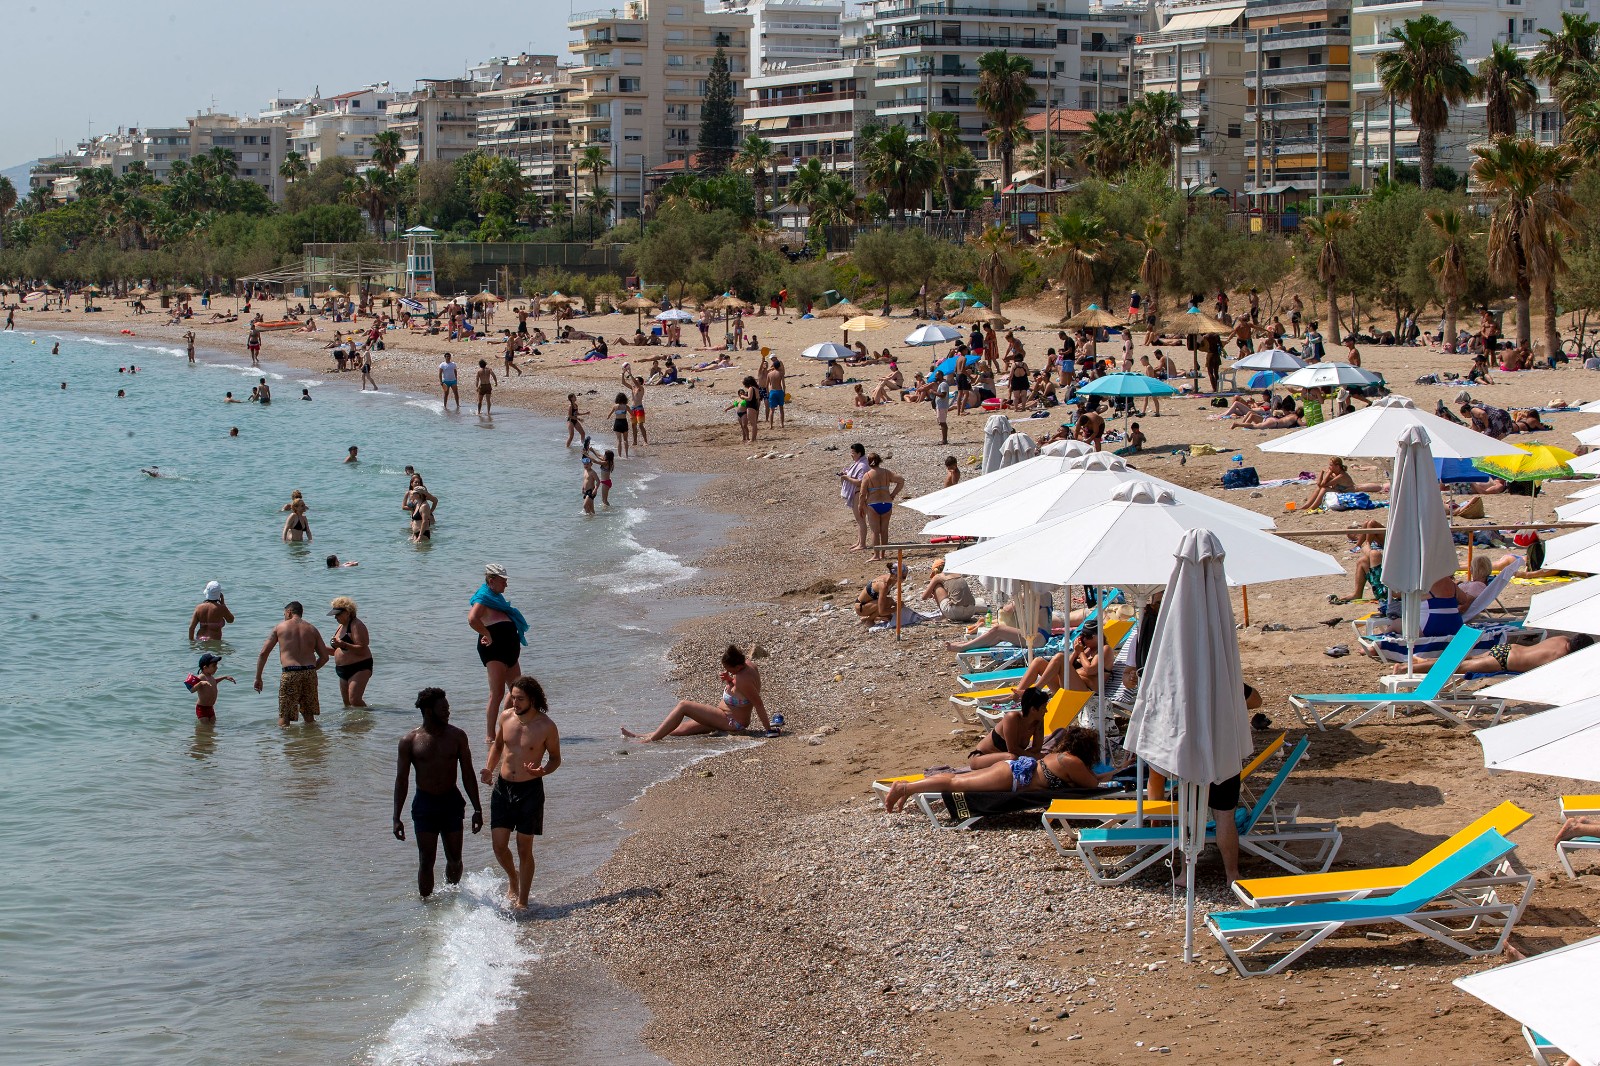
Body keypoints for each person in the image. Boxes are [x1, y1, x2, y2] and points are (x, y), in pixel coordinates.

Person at [881, 727, 1122, 812]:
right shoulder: (1072, 762)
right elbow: (1092, 785)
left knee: (955, 779)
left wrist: (1117, 771)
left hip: (1011, 771)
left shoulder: (1063, 758)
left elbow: (1092, 779)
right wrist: (1112, 778)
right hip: (1012, 777)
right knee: (955, 783)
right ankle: (904, 788)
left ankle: (909, 788)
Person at [394, 687, 483, 899]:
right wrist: (396, 817)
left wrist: (477, 809)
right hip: (425, 805)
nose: (447, 712)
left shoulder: (457, 736)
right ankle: (427, 906)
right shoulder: (409, 741)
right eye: (443, 709)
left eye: (448, 708)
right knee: (426, 861)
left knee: (455, 859)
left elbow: (468, 774)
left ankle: (452, 898)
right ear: (428, 710)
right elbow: (402, 780)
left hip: (451, 802)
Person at [481, 676, 560, 910]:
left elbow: (555, 758)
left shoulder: (546, 726)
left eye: (520, 699)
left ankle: (523, 900)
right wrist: (489, 769)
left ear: (532, 699)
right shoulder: (506, 717)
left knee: (524, 848)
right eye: (513, 698)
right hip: (503, 788)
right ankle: (512, 877)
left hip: (530, 791)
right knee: (499, 845)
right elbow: (498, 746)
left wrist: (542, 771)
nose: (514, 703)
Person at [622, 645, 772, 740]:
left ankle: (651, 740)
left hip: (732, 722)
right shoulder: (748, 665)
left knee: (684, 705)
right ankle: (640, 735)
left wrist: (768, 730)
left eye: (729, 669)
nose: (727, 671)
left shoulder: (743, 679)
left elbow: (758, 704)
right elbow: (743, 693)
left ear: (738, 667)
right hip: (722, 717)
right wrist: (729, 680)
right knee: (679, 730)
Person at [469, 563, 528, 743]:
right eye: (503, 581)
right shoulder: (483, 598)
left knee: (517, 690)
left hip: (510, 651)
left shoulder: (496, 599)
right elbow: (472, 619)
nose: (506, 585)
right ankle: (490, 735)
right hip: (494, 650)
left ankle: (506, 726)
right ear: (491, 581)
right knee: (497, 693)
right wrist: (486, 634)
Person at [253, 601, 332, 727]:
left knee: (285, 716)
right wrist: (311, 670)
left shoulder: (280, 627)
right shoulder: (312, 629)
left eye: (284, 614)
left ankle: (286, 740)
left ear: (289, 612)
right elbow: (324, 657)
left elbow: (263, 653)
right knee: (309, 716)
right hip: (310, 672)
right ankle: (313, 738)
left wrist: (258, 677)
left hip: (290, 673)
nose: (284, 616)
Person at [1404, 632, 1596, 676]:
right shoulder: (1561, 658)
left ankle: (1420, 661)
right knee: (1459, 667)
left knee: (1465, 659)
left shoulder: (1562, 639)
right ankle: (1406, 669)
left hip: (1508, 648)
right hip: (1504, 661)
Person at [966, 686, 1050, 765]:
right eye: (1043, 707)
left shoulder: (1038, 720)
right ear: (1033, 709)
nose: (1046, 711)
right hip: (981, 757)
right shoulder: (1012, 718)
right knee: (1013, 758)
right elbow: (1013, 749)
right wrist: (1033, 757)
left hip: (1006, 758)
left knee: (1039, 756)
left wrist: (1034, 756)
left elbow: (1037, 748)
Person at [328, 596, 373, 708]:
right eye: (334, 615)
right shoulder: (340, 626)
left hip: (359, 667)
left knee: (355, 700)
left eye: (338, 614)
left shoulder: (357, 625)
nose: (335, 617)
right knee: (347, 703)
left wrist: (343, 644)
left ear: (347, 613)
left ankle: (370, 717)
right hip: (342, 669)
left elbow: (362, 648)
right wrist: (316, 647)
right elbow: (337, 651)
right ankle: (354, 720)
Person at [860, 453, 904, 560]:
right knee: (884, 530)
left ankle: (876, 555)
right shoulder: (886, 472)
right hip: (886, 503)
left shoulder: (867, 475)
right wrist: (893, 494)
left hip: (873, 504)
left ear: (869, 462)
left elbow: (862, 493)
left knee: (875, 531)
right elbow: (901, 481)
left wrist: (860, 505)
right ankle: (883, 554)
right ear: (879, 461)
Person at [185, 652, 235, 721]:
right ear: (205, 667)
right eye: (214, 666)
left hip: (210, 708)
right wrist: (201, 683)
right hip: (202, 708)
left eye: (216, 665)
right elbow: (192, 690)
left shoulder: (211, 677)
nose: (216, 667)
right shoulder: (201, 677)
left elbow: (214, 682)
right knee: (204, 725)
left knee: (212, 724)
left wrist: (224, 677)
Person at [840, 442, 870, 552]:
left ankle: (862, 544)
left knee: (860, 519)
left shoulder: (862, 465)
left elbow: (860, 482)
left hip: (859, 493)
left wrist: (847, 478)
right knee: (859, 519)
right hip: (858, 493)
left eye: (853, 453)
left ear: (859, 453)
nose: (851, 455)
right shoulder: (860, 463)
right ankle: (859, 541)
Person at [622, 363, 651, 444]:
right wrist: (623, 373)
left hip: (639, 408)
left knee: (640, 425)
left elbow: (636, 383)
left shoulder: (641, 388)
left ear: (640, 382)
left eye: (637, 381)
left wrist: (630, 374)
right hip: (632, 408)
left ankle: (645, 441)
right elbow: (623, 383)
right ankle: (635, 441)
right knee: (633, 425)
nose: (635, 382)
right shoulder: (633, 388)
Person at [764, 357, 786, 428]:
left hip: (772, 391)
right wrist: (784, 392)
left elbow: (766, 385)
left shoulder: (769, 374)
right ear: (779, 366)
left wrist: (768, 393)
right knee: (781, 408)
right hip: (779, 391)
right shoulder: (781, 373)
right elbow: (783, 384)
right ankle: (782, 424)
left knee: (772, 410)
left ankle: (771, 425)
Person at [608, 391, 631, 458]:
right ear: (625, 399)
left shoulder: (615, 406)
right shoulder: (626, 406)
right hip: (624, 422)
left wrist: (608, 417)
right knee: (625, 440)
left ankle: (619, 455)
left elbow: (609, 414)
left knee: (619, 440)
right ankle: (626, 455)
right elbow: (632, 414)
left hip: (617, 422)